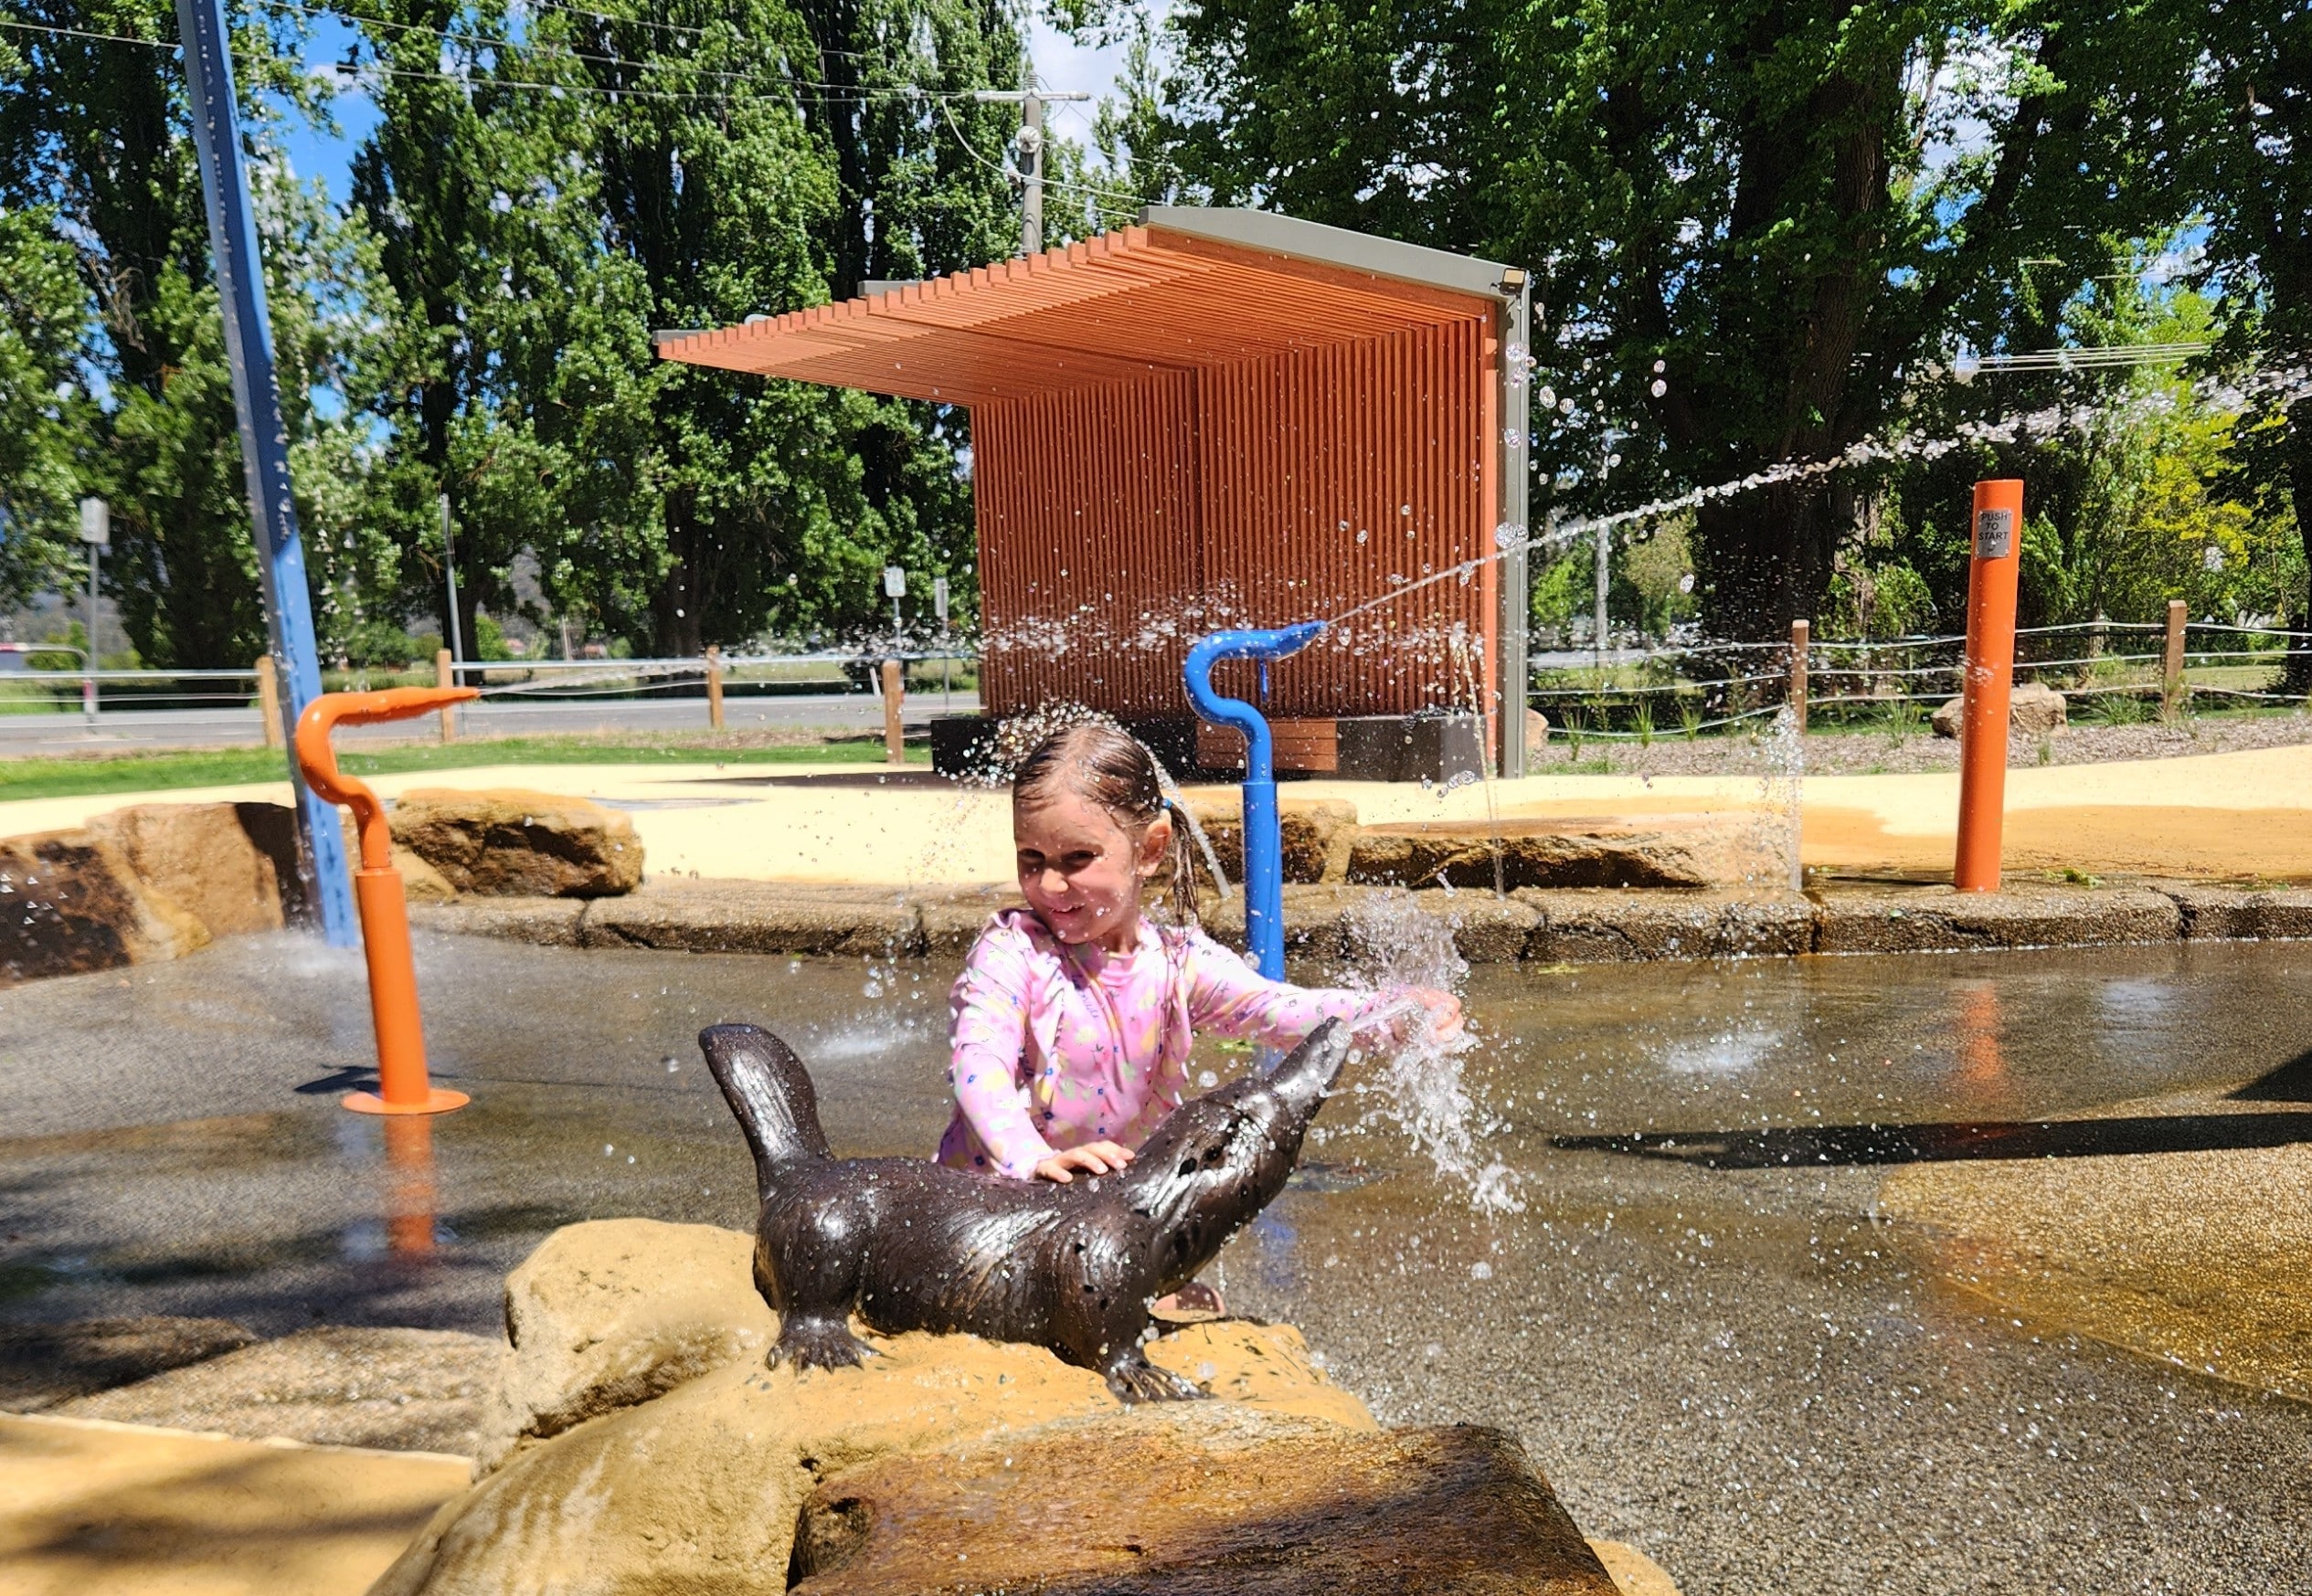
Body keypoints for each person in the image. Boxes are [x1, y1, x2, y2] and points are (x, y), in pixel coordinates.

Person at [939, 721, 1462, 1203]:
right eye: (1031, 859)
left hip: (1100, 1212)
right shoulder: (1012, 953)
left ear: (1150, 849)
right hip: (988, 1207)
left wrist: (1389, 1014)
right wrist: (1032, 1160)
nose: (1050, 884)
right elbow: (979, 1062)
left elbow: (1281, 1010)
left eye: (1078, 858)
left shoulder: (1177, 965)